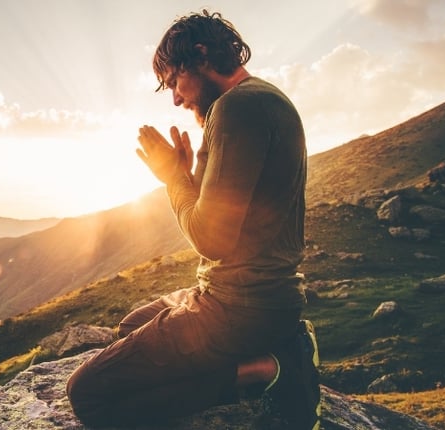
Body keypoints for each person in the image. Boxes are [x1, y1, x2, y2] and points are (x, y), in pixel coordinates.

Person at [66, 9, 320, 430]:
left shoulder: (238, 108)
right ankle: (281, 345)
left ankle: (270, 370)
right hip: (262, 300)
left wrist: (173, 180)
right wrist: (188, 172)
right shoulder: (260, 99)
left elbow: (211, 238)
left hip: (239, 307)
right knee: (129, 326)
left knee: (88, 395)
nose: (176, 99)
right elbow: (227, 209)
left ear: (200, 56)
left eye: (174, 82)